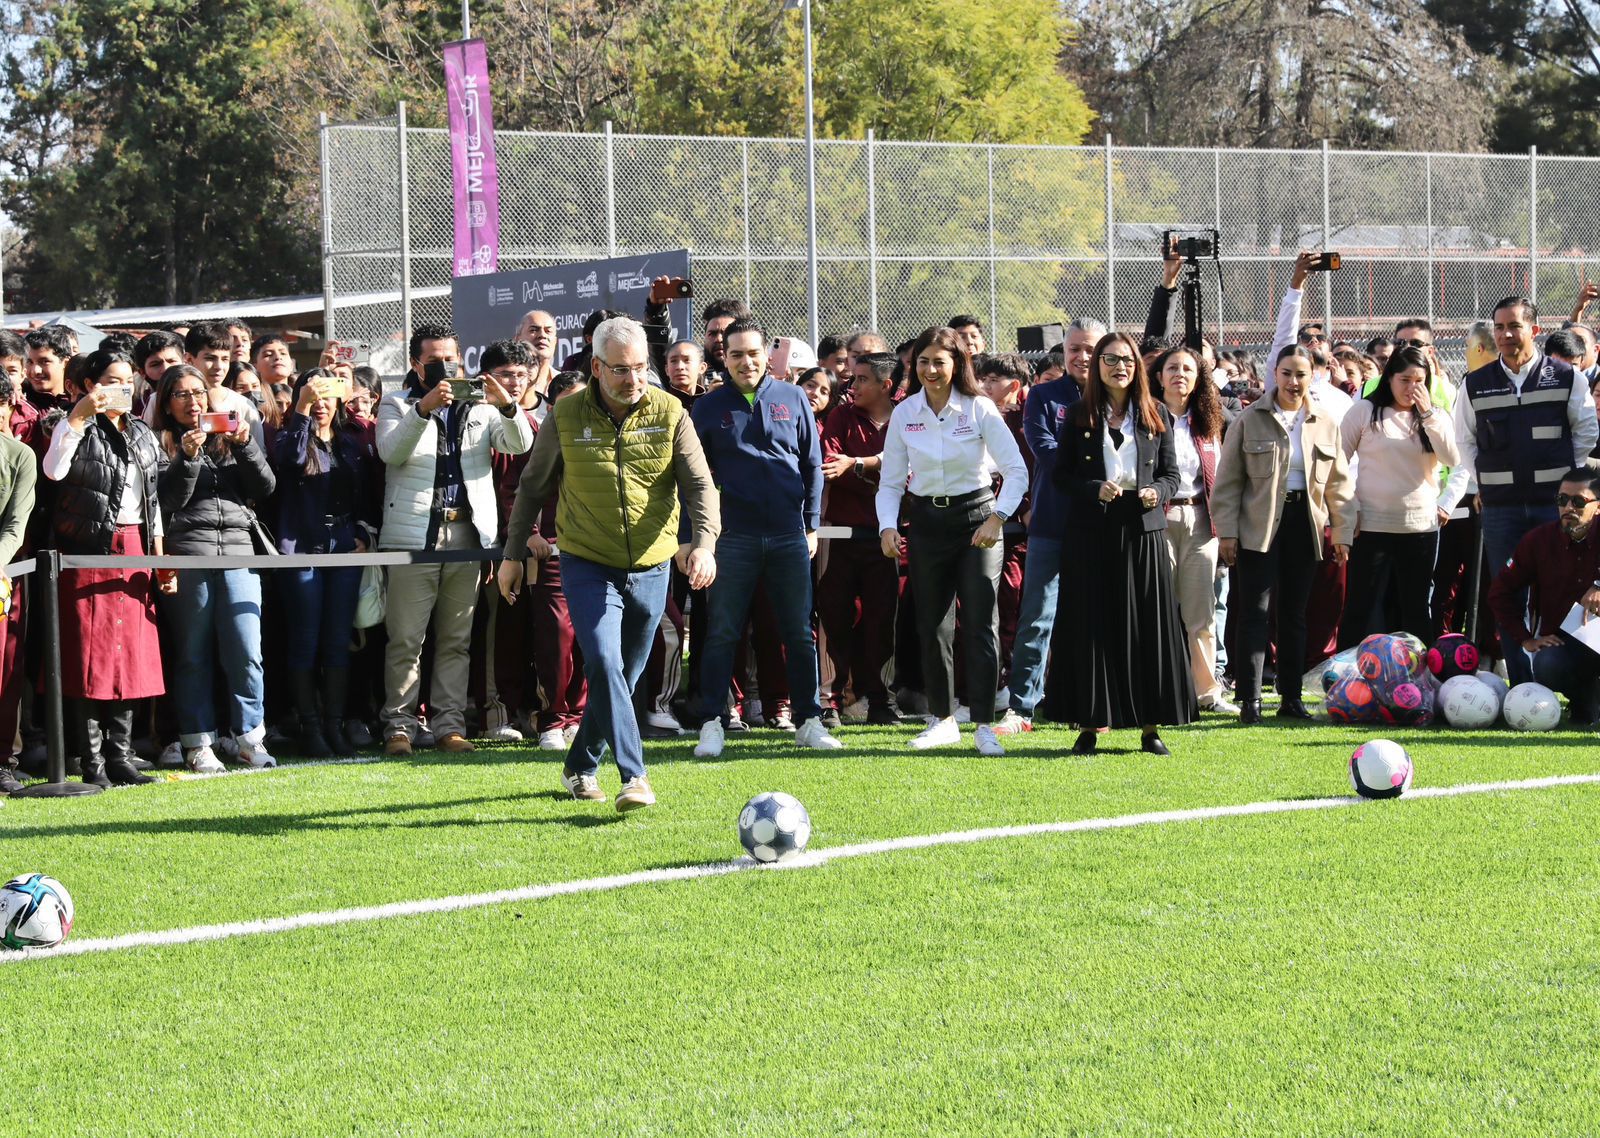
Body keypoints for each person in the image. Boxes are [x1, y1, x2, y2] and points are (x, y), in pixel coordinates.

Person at [498, 316, 720, 811]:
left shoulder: (671, 412)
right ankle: (634, 775)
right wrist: (513, 553)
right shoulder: (565, 415)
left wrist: (703, 543)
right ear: (596, 367)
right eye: (621, 370)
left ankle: (579, 766)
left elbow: (700, 486)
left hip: (653, 563)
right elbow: (532, 487)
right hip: (585, 559)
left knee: (623, 674)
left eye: (641, 368)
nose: (633, 379)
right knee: (603, 660)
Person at [377, 323, 533, 757]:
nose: (447, 367)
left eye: (453, 358)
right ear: (415, 363)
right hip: (413, 534)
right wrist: (422, 410)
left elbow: (520, 445)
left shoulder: (480, 406)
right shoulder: (396, 403)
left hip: (467, 533)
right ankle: (400, 727)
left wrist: (507, 406)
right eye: (435, 360)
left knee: (455, 638)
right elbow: (390, 452)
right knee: (406, 638)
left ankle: (449, 726)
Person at [691, 317, 842, 758]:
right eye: (736, 354)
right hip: (731, 538)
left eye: (753, 353)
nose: (745, 361)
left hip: (788, 535)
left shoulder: (793, 397)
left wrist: (810, 525)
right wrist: (698, 537)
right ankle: (713, 722)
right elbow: (693, 477)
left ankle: (808, 720)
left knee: (798, 632)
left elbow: (813, 465)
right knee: (722, 633)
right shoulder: (707, 407)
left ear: (767, 357)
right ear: (724, 357)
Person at [877, 326, 1028, 755]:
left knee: (980, 623)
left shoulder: (979, 408)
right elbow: (890, 483)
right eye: (922, 361)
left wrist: (997, 518)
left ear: (957, 364)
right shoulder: (905, 413)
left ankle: (982, 723)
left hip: (977, 521)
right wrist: (888, 525)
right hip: (926, 523)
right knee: (933, 624)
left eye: (939, 362)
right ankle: (942, 719)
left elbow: (1016, 471)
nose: (929, 369)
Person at [1042, 333, 1194, 754]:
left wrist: (1157, 494)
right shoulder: (1077, 415)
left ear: (1137, 367)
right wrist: (1093, 488)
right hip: (1091, 532)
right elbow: (1061, 475)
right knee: (1092, 624)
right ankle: (1090, 725)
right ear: (1098, 366)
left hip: (1143, 531)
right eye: (1110, 359)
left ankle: (1150, 728)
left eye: (1127, 359)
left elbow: (1171, 475)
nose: (1120, 366)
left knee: (1148, 625)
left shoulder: (1156, 414)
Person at [1446, 297, 1598, 664]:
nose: (1505, 335)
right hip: (1501, 508)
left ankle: (1566, 679)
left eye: (1513, 326)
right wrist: (1486, 479)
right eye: (1498, 327)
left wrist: (1566, 483)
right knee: (1508, 595)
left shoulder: (1567, 378)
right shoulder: (1475, 383)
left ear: (1534, 329)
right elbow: (1463, 438)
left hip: (1554, 507)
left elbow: (1586, 430)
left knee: (1561, 589)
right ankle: (1521, 685)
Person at [43, 350, 170, 788]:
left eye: (127, 380)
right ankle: (91, 760)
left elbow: (154, 500)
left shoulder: (141, 433)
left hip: (136, 545)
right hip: (87, 546)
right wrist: (78, 417)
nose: (121, 388)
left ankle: (122, 756)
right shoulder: (68, 423)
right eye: (110, 380)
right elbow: (55, 470)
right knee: (87, 655)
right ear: (88, 384)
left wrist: (159, 556)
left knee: (130, 655)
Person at [1211, 345, 1356, 724]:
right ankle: (1251, 698)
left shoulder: (1324, 421)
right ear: (1275, 374)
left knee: (1294, 614)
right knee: (1254, 614)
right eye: (1287, 373)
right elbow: (1227, 482)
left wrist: (1341, 531)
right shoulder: (1249, 418)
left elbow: (1340, 484)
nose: (1294, 381)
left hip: (1304, 525)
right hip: (1258, 526)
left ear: (1313, 377)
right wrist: (1226, 532)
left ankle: (1291, 697)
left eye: (1301, 374)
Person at [154, 364, 278, 772]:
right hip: (190, 554)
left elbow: (265, 488)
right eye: (182, 395)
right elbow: (169, 500)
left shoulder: (229, 437)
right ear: (167, 405)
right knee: (193, 654)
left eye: (198, 393)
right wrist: (187, 458)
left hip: (241, 554)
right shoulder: (160, 442)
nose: (193, 401)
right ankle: (198, 742)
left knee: (247, 651)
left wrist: (244, 444)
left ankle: (248, 738)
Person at [998, 316, 1105, 734]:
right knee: (1038, 616)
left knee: (1095, 617)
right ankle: (1022, 707)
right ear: (1063, 352)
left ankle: (1090, 704)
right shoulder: (1043, 396)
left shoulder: (1118, 398)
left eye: (1091, 349)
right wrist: (1096, 472)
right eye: (1075, 348)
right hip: (1052, 524)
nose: (1082, 357)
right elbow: (1045, 451)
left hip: (1102, 527)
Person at [272, 367, 381, 757]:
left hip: (343, 548)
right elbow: (290, 459)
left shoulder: (349, 442)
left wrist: (364, 534)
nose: (320, 404)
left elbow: (366, 496)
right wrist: (300, 410)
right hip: (301, 549)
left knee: (339, 641)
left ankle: (335, 726)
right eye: (312, 395)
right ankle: (310, 727)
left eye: (327, 395)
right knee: (305, 639)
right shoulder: (289, 435)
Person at [1337, 346, 1462, 647]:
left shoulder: (1437, 416)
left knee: (1416, 608)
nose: (1412, 388)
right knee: (1360, 605)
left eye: (1419, 381)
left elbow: (1452, 457)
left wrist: (1429, 414)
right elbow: (1336, 461)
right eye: (1405, 380)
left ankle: (1419, 681)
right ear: (1389, 378)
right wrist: (1348, 507)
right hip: (1371, 525)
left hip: (1419, 527)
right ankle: (1344, 679)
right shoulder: (1365, 411)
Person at [1152, 345, 1235, 714]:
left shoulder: (1209, 422)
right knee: (1159, 608)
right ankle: (1158, 689)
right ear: (1158, 377)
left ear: (1199, 377)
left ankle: (1206, 693)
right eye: (1172, 368)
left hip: (1202, 520)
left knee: (1201, 613)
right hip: (1158, 519)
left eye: (1188, 368)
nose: (1179, 375)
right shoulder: (1146, 420)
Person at [818, 351, 900, 725]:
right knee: (832, 618)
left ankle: (880, 701)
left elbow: (913, 474)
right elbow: (831, 467)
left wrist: (860, 465)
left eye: (862, 379)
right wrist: (881, 476)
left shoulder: (906, 417)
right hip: (837, 534)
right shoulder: (840, 415)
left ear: (886, 384)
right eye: (851, 379)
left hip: (886, 537)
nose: (852, 387)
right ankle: (830, 701)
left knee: (882, 620)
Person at [1489, 469, 1600, 719]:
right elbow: (1500, 592)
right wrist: (1526, 639)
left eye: (1579, 501)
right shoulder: (1538, 541)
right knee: (1546, 664)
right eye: (1562, 500)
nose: (1568, 507)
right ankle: (1588, 700)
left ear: (1598, 507)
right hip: (1566, 642)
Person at [0, 375, 37, 795]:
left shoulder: (19, 456)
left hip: (4, 575)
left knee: (4, 673)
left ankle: (1, 763)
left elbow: (16, 522)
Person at [23, 326, 75, 417]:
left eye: (45, 362)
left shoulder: (81, 403)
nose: (35, 371)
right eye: (29, 362)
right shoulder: (17, 404)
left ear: (66, 363)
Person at [701, 298, 751, 385]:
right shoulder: (694, 374)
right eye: (712, 333)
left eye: (726, 333)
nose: (719, 339)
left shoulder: (759, 373)